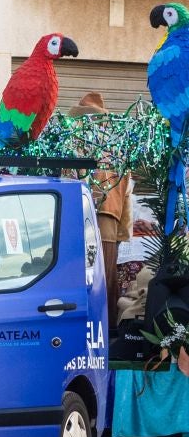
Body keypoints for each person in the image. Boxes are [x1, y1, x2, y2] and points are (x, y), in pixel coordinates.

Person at [70, 92, 133, 317]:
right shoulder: (116, 148)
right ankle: (107, 328)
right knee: (105, 275)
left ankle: (88, 324)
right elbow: (127, 191)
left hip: (81, 215)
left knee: (83, 273)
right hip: (110, 218)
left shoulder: (75, 142)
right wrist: (124, 232)